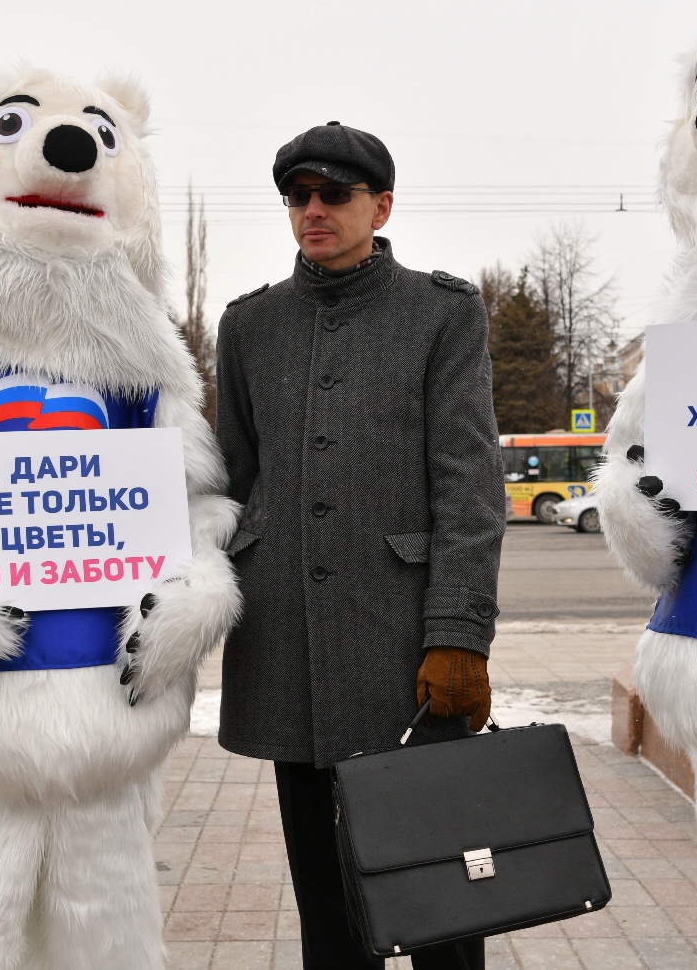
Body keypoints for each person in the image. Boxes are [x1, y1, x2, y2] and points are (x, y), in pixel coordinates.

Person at [216, 122, 504, 970]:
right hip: (288, 640)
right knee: (326, 897)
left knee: (439, 888)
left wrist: (458, 632)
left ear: (379, 205)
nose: (313, 210)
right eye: (297, 197)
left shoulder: (441, 313)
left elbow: (467, 482)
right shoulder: (249, 324)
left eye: (333, 195)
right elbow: (231, 481)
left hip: (403, 642)